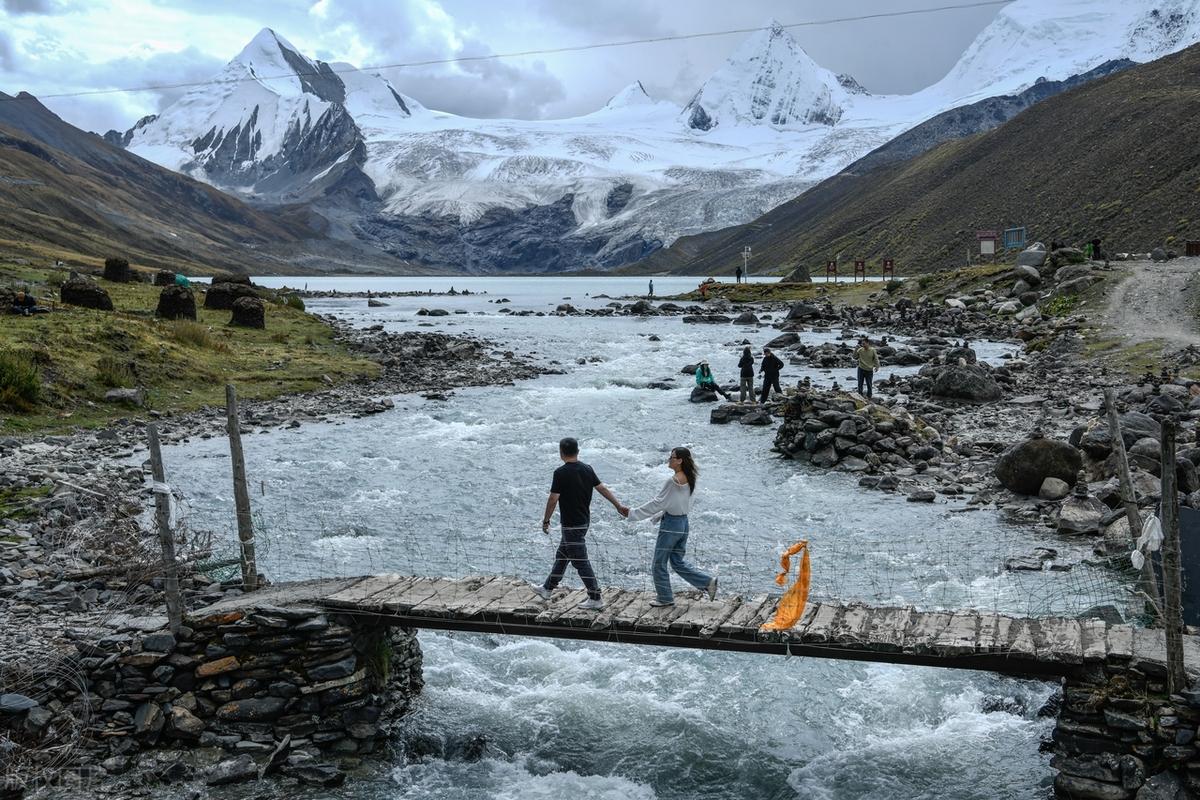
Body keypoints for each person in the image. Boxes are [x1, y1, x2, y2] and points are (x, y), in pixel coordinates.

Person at [532, 437, 626, 610]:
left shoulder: (560, 473)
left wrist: (546, 520)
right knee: (563, 556)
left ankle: (595, 597)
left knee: (580, 562)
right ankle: (547, 588)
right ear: (578, 451)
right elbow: (602, 489)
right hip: (583, 522)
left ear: (561, 452)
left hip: (571, 525)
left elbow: (553, 499)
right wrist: (618, 505)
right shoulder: (587, 469)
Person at [622, 447, 716, 607]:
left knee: (659, 564)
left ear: (680, 460)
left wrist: (632, 514)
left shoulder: (673, 481)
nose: (669, 459)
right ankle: (707, 582)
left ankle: (665, 598)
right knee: (677, 561)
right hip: (684, 523)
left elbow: (657, 503)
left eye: (672, 457)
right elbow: (680, 502)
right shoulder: (691, 477)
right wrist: (663, 513)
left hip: (671, 524)